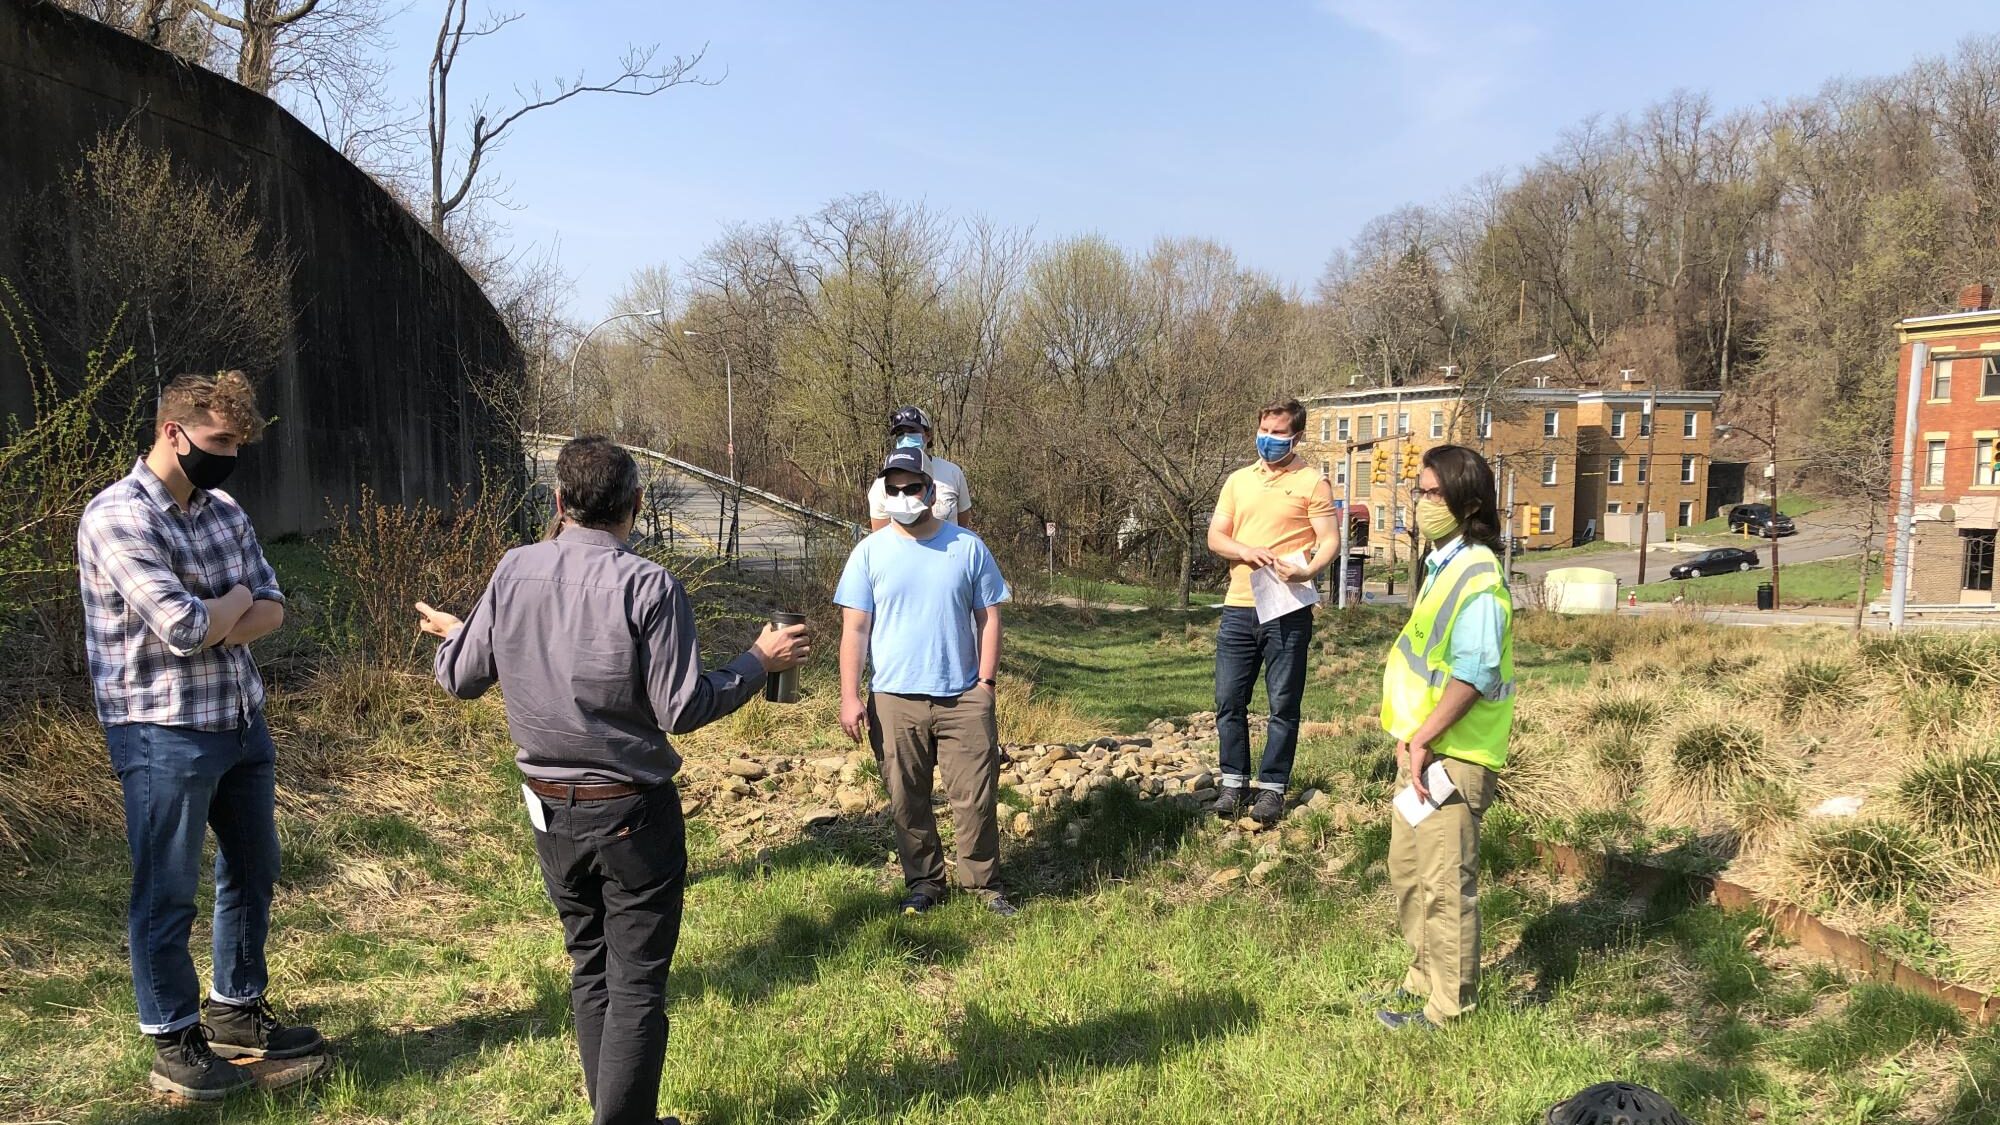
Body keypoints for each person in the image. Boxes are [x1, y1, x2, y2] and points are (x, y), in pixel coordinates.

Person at [418, 436, 810, 1125]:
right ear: (635, 505)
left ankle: (620, 1114)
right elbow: (682, 706)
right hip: (632, 815)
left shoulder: (514, 570)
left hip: (550, 813)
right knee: (634, 985)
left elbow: (460, 675)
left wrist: (461, 631)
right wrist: (757, 658)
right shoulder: (650, 585)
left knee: (591, 966)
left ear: (560, 502)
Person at [76, 371, 325, 1101]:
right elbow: (181, 628)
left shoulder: (223, 509)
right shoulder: (116, 516)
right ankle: (173, 1035)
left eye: (238, 443)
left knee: (254, 867)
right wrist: (233, 604)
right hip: (160, 730)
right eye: (219, 441)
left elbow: (272, 607)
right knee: (167, 889)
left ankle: (235, 1009)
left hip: (240, 719)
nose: (229, 456)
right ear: (173, 432)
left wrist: (231, 606)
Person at [836, 445, 1015, 917]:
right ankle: (924, 882)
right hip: (894, 699)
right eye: (892, 490)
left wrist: (986, 683)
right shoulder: (868, 554)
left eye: (911, 488)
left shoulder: (967, 547)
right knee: (905, 801)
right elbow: (855, 628)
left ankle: (983, 885)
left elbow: (989, 617)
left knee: (974, 798)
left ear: (931, 491)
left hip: (963, 697)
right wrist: (850, 696)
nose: (902, 496)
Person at [1376, 445, 1516, 1032]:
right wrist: (1411, 740)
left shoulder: (1478, 573)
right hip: (1423, 751)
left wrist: (1427, 737)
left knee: (1444, 886)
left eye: (1433, 494)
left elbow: (1476, 674)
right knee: (1409, 874)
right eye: (1419, 490)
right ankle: (1422, 978)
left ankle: (1449, 1007)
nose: (1420, 502)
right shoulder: (1444, 566)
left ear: (1468, 504)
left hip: (1453, 754)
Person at [1205, 398, 1339, 825]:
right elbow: (1216, 536)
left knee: (1283, 703)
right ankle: (1233, 783)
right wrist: (1245, 550)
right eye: (1265, 429)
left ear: (1296, 436)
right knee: (1229, 700)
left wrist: (1307, 571)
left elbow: (1330, 539)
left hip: (1286, 608)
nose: (1269, 439)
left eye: (1279, 433)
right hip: (1239, 607)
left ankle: (1273, 790)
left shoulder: (1312, 482)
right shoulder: (1238, 481)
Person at [867, 406, 972, 530]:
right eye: (900, 433)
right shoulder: (883, 482)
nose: (905, 437)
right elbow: (880, 536)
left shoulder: (953, 473)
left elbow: (963, 524)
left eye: (912, 431)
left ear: (928, 435)